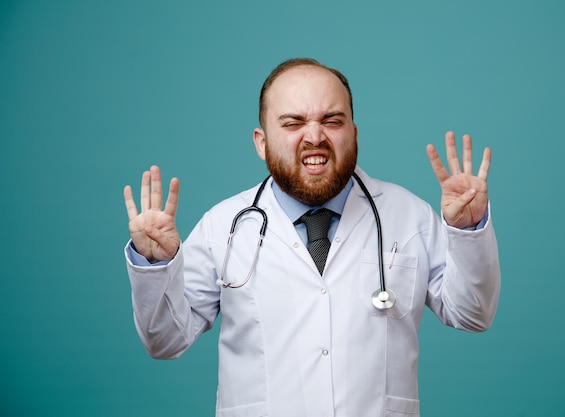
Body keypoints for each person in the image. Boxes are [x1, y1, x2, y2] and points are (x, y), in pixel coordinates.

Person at [123, 58, 500, 417]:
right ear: (261, 141)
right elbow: (165, 341)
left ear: (354, 133)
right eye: (293, 123)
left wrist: (468, 229)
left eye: (332, 121)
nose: (315, 136)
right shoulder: (224, 225)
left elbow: (473, 313)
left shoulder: (408, 215)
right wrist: (155, 264)